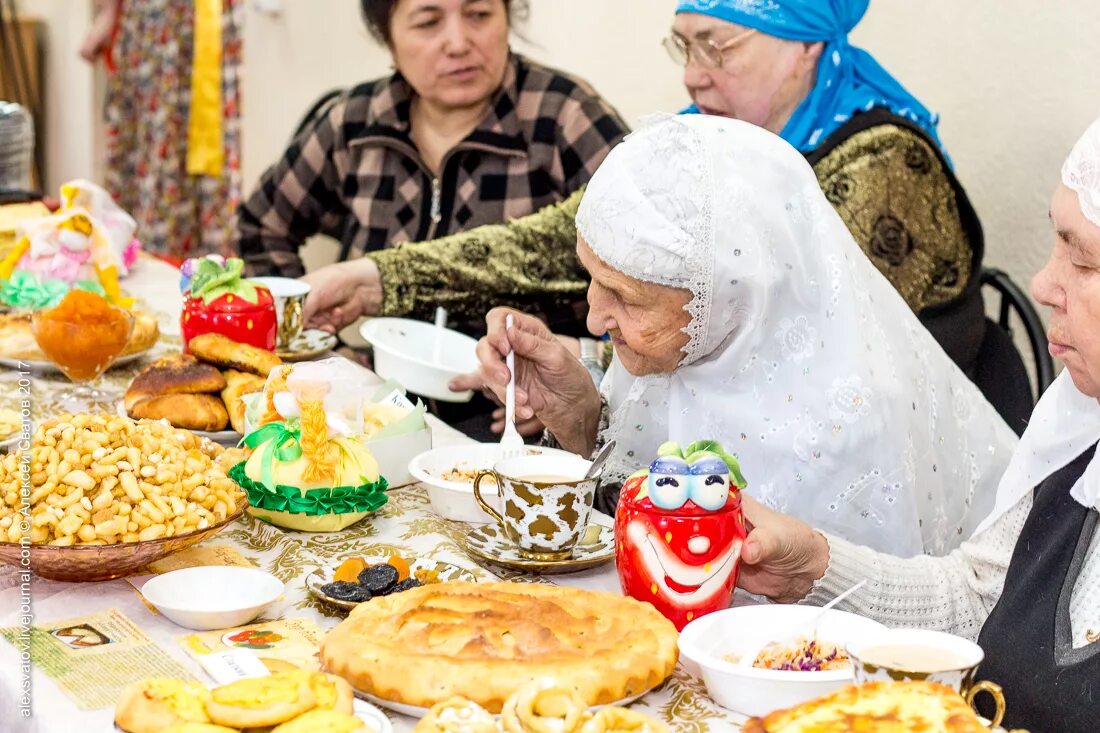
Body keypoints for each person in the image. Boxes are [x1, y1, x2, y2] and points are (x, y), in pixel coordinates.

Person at [304, 0, 1017, 426]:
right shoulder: (708, 135)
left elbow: (781, 361)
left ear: (805, 45)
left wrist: (589, 374)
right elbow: (568, 239)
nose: (692, 73)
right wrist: (382, 277)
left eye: (718, 46)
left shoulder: (883, 164)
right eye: (685, 43)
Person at [471, 113, 1016, 558]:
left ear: (736, 295)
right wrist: (580, 420)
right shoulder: (689, 344)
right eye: (591, 277)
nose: (593, 319)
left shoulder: (845, 425)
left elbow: (831, 639)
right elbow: (637, 504)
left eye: (625, 297)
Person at [734, 116, 1100, 733]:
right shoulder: (1079, 422)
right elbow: (981, 601)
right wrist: (813, 565)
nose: (1043, 284)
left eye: (1084, 261)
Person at [241, 0, 627, 339]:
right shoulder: (356, 123)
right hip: (378, 396)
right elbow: (261, 224)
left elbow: (644, 267)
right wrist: (312, 342)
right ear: (387, 38)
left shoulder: (565, 115)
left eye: (479, 14)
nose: (459, 43)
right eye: (428, 22)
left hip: (511, 406)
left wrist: (576, 375)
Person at [81, 0, 243, 260]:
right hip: (155, 26)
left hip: (210, 24)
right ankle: (143, 266)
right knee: (155, 147)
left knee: (210, 164)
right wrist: (107, 12)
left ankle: (211, 280)